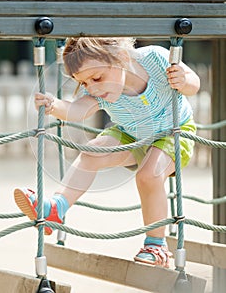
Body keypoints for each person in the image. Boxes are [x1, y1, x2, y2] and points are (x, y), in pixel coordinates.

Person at [14, 37, 200, 268]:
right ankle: (56, 209)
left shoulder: (155, 57)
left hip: (174, 133)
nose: (92, 87)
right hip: (132, 134)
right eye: (83, 83)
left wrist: (184, 81)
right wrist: (54, 105)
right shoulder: (96, 90)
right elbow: (76, 110)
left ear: (121, 58)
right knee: (91, 153)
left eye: (97, 78)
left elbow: (193, 82)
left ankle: (156, 245)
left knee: (148, 175)